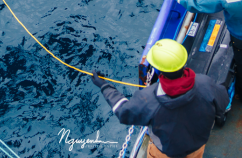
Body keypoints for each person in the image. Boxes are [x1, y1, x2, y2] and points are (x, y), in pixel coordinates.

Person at [92, 39, 229, 158]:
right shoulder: (205, 83)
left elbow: (123, 112)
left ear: (159, 69)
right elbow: (223, 101)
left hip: (165, 153)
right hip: (196, 148)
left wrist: (104, 86)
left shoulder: (149, 98)